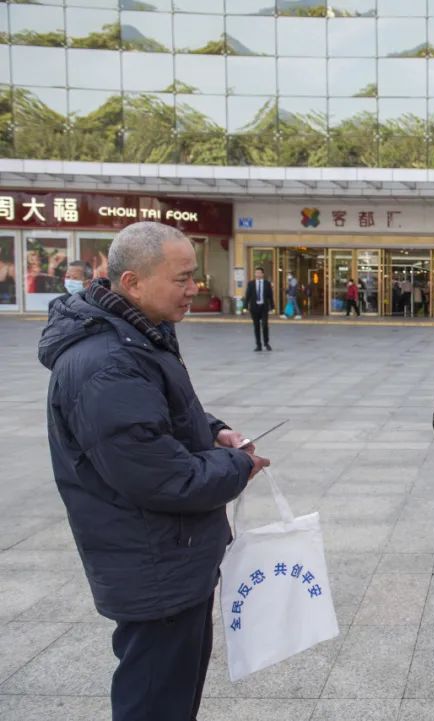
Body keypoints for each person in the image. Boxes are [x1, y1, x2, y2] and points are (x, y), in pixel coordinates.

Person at [37, 221, 269, 721]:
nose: (194, 288)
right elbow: (163, 476)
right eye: (182, 278)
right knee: (154, 702)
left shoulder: (136, 337)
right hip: (153, 568)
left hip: (170, 558)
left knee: (172, 696)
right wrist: (238, 465)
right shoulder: (106, 363)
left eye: (194, 276)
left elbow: (154, 417)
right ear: (133, 283)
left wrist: (214, 431)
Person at [244, 267, 274, 351]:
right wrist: (245, 306)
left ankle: (266, 343)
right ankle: (258, 345)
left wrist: (272, 307)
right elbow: (247, 295)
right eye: (256, 273)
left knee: (264, 325)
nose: (257, 274)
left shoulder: (267, 283)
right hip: (254, 307)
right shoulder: (251, 284)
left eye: (259, 273)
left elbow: (270, 296)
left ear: (262, 274)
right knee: (256, 326)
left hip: (264, 307)